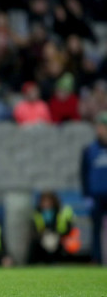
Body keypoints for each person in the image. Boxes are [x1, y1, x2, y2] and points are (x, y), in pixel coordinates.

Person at [81, 111, 107, 264]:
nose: (99, 130)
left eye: (102, 126)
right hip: (96, 195)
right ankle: (96, 258)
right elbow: (84, 174)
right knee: (96, 229)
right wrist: (86, 195)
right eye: (98, 127)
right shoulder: (89, 150)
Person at [28, 191, 76, 264]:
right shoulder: (37, 213)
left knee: (60, 243)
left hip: (60, 236)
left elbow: (68, 228)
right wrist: (44, 235)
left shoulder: (62, 211)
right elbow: (34, 230)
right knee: (37, 244)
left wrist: (58, 235)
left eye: (48, 202)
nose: (46, 204)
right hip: (43, 238)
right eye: (44, 202)